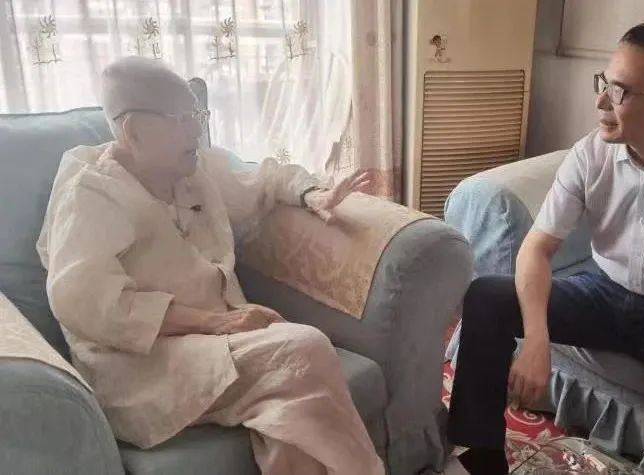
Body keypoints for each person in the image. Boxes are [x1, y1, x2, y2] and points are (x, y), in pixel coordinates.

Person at [447, 22, 644, 475]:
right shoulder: (591, 153)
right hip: (603, 293)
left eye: (620, 91)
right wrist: (537, 339)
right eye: (604, 82)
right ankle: (479, 457)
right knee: (486, 295)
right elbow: (536, 248)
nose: (601, 102)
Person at [37, 56, 384, 475]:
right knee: (303, 349)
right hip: (139, 367)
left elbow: (266, 179)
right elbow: (85, 303)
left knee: (290, 409)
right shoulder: (91, 195)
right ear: (134, 131)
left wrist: (313, 194)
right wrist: (218, 323)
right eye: (182, 119)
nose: (196, 130)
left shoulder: (193, 169)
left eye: (197, 116)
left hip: (212, 342)